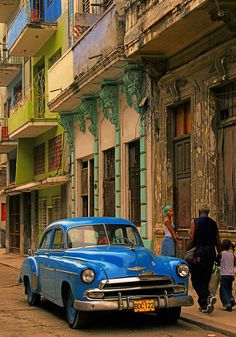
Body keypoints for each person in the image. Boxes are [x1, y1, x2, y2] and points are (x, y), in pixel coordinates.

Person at [186, 203, 222, 313]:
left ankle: (208, 296)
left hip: (199, 253)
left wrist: (188, 249)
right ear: (208, 212)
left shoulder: (195, 221)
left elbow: (192, 237)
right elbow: (218, 240)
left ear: (199, 211)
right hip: (211, 253)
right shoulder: (214, 223)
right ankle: (204, 305)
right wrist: (219, 252)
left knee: (196, 279)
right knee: (205, 279)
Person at [219, 239, 236, 312]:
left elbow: (217, 260)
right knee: (229, 289)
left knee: (223, 290)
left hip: (224, 274)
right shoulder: (232, 254)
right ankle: (231, 300)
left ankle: (227, 304)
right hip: (231, 275)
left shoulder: (221, 254)